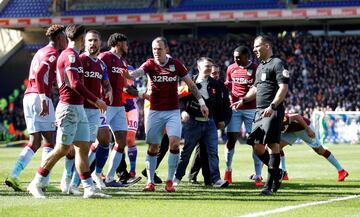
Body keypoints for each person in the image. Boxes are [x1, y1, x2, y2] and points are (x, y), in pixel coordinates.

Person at [27, 24, 110, 199]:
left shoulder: (74, 56)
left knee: (83, 148)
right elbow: (74, 84)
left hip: (78, 108)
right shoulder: (70, 56)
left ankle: (88, 189)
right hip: (68, 108)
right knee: (62, 149)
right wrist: (96, 99)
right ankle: (36, 183)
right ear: (81, 38)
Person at [124, 37, 208, 192]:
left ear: (166, 50)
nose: (156, 52)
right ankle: (150, 182)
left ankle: (169, 181)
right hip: (155, 111)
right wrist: (126, 74)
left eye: (159, 49)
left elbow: (191, 84)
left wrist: (202, 103)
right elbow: (136, 74)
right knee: (153, 147)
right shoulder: (149, 64)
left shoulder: (175, 65)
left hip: (172, 111)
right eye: (154, 49)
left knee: (174, 143)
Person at [5, 24, 67, 192]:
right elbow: (40, 74)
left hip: (28, 97)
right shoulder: (53, 54)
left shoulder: (40, 51)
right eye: (65, 37)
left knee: (35, 142)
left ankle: (14, 175)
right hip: (40, 97)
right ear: (59, 38)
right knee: (49, 141)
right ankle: (42, 182)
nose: (67, 40)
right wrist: (43, 98)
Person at [236, 35, 289, 195]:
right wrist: (244, 99)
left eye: (257, 46)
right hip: (259, 111)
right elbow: (256, 88)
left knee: (273, 145)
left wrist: (273, 106)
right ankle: (277, 172)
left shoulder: (277, 63)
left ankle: (269, 185)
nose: (254, 50)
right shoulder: (260, 67)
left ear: (267, 46)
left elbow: (283, 88)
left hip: (272, 109)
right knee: (256, 146)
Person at [61, 30, 113, 193]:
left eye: (95, 40)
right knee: (70, 147)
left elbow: (105, 82)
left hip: (93, 111)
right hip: (79, 107)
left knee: (87, 147)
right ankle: (66, 179)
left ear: (100, 42)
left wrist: (109, 90)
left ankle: (75, 184)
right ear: (84, 42)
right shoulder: (80, 59)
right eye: (89, 40)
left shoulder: (102, 64)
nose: (92, 43)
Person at [173, 57, 228, 188]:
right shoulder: (189, 82)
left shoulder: (216, 84)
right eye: (206, 66)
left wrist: (221, 120)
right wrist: (183, 111)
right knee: (186, 153)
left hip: (210, 124)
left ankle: (217, 180)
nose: (209, 68)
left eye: (210, 66)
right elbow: (180, 99)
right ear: (199, 67)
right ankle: (177, 177)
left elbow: (219, 105)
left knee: (213, 153)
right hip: (193, 123)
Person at [223, 46, 263, 186]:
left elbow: (258, 89)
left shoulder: (256, 68)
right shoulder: (231, 68)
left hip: (251, 109)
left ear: (247, 56)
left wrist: (244, 100)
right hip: (234, 109)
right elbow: (228, 86)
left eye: (239, 57)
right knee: (231, 139)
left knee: (255, 142)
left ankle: (258, 175)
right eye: (234, 57)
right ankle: (228, 170)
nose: (236, 60)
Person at [98, 33, 131, 187]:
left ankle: (110, 178)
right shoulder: (105, 56)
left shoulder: (122, 61)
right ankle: (87, 174)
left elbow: (124, 84)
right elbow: (96, 76)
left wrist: (132, 90)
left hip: (118, 106)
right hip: (106, 105)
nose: (127, 46)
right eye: (125, 43)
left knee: (121, 141)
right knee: (97, 141)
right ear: (118, 43)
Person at [279, 113, 349, 181]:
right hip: (292, 131)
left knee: (320, 150)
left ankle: (341, 171)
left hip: (303, 128)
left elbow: (297, 116)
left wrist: (308, 129)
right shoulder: (270, 122)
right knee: (277, 147)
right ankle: (283, 173)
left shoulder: (279, 118)